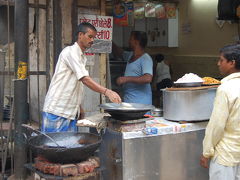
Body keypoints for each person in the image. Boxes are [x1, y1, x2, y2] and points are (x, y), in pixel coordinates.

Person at [42, 22, 121, 133]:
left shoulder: (81, 57)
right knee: (52, 146)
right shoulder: (70, 52)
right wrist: (107, 92)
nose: (92, 40)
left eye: (94, 37)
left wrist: (79, 108)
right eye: (90, 36)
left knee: (69, 147)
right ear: (80, 35)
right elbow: (84, 79)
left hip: (70, 112)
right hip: (57, 111)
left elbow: (75, 85)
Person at [200, 44, 240, 180]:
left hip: (225, 156)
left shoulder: (225, 88)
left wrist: (206, 152)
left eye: (221, 60)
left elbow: (217, 126)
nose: (218, 64)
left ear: (232, 63)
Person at [113, 31, 153, 105]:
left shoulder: (145, 58)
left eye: (131, 39)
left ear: (136, 42)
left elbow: (147, 78)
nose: (129, 41)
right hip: (130, 102)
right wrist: (109, 40)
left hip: (141, 104)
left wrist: (126, 79)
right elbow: (119, 52)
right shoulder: (130, 56)